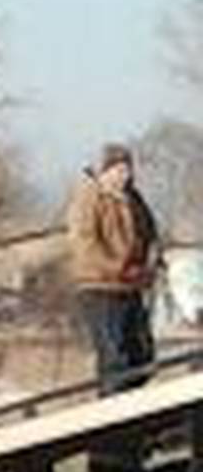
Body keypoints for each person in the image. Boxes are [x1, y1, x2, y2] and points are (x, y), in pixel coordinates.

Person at [65, 142, 163, 394]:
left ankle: (138, 409)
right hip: (100, 286)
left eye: (128, 169)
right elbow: (85, 243)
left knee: (141, 354)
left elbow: (151, 235)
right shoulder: (89, 196)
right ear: (105, 171)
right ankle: (114, 416)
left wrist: (150, 266)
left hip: (131, 285)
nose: (125, 175)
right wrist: (117, 268)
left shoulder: (134, 198)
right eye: (119, 170)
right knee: (114, 355)